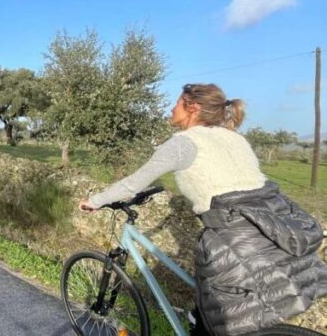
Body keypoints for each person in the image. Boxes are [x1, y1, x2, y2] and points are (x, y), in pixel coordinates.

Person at [78, 83, 327, 335]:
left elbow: (132, 184)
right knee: (215, 314)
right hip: (275, 227)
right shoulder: (236, 139)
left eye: (176, 103)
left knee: (217, 321)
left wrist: (95, 201)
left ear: (192, 108)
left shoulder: (183, 143)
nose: (171, 108)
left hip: (234, 237)